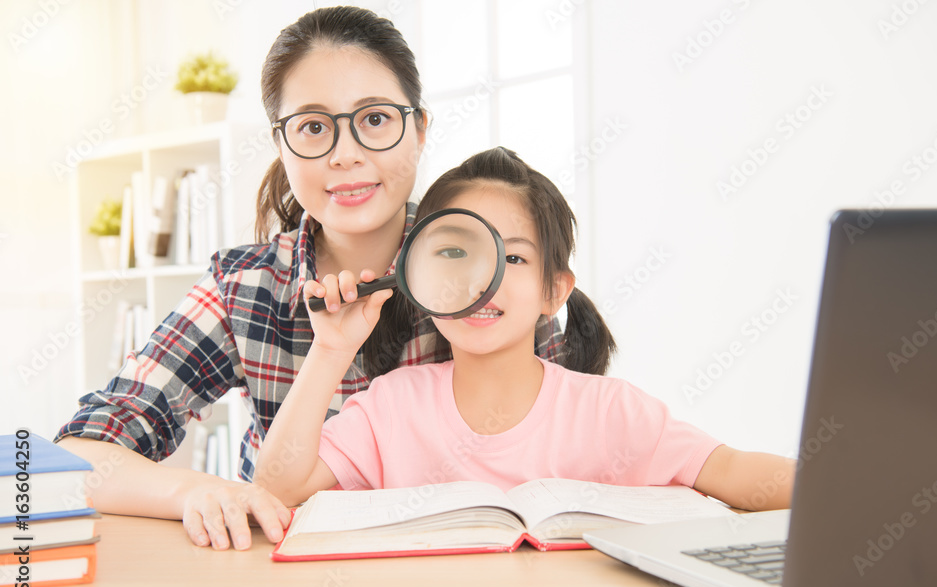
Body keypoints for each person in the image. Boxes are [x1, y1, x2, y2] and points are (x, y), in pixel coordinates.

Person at [54, 7, 567, 551]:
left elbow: (564, 453)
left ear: (419, 129)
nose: (345, 156)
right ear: (281, 145)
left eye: (374, 119)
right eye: (314, 127)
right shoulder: (245, 287)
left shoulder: (495, 269)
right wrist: (194, 490)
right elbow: (84, 453)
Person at [254, 147, 796, 510]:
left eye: (512, 260)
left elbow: (729, 469)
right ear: (419, 274)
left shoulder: (610, 412)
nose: (480, 281)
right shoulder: (389, 408)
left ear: (553, 290)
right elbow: (278, 488)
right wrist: (330, 350)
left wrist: (850, 485)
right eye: (452, 253)